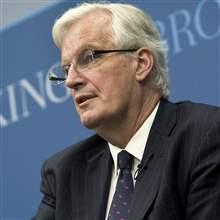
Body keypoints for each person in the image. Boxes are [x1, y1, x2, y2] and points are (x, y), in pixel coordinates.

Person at [32, 2, 220, 220]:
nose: (71, 81)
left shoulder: (205, 136)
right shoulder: (65, 172)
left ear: (141, 64)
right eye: (66, 69)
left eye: (90, 57)